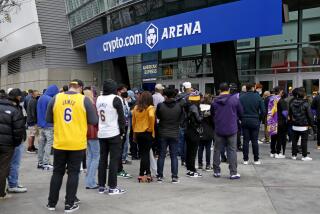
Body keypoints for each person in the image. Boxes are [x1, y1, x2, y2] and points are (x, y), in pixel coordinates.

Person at [46, 80, 98, 212]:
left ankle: (51, 203)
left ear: (69, 87)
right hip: (77, 143)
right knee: (73, 173)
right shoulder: (84, 100)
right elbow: (93, 120)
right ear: (80, 88)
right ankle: (69, 204)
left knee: (57, 172)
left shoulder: (56, 98)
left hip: (60, 142)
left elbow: (48, 119)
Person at [97, 79, 126, 195]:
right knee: (113, 160)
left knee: (102, 159)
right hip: (113, 133)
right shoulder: (116, 99)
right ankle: (112, 187)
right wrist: (122, 132)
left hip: (102, 132)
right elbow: (121, 118)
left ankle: (101, 186)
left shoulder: (99, 98)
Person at [211, 83, 243, 179]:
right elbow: (241, 112)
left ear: (220, 90)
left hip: (219, 128)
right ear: (228, 89)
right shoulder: (234, 100)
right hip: (232, 128)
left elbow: (212, 114)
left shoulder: (214, 101)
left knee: (217, 150)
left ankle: (216, 171)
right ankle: (233, 172)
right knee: (232, 150)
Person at [0, 89, 26, 199]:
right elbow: (18, 130)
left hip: (7, 143)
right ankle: (3, 191)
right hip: (8, 145)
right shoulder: (15, 109)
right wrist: (15, 144)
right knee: (4, 167)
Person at [156, 88, 183, 183]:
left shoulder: (160, 106)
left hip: (163, 132)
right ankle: (174, 177)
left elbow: (158, 116)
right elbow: (181, 119)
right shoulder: (179, 106)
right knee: (174, 156)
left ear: (165, 96)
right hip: (175, 132)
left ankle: (160, 176)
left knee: (161, 155)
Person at [7, 89, 27, 194]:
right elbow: (19, 125)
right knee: (15, 163)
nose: (21, 98)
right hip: (15, 140)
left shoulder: (7, 106)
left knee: (8, 163)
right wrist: (20, 139)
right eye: (20, 96)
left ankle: (10, 182)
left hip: (7, 140)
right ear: (17, 97)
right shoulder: (16, 108)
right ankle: (13, 184)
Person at [132, 91, 155, 182]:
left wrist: (134, 133)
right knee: (146, 154)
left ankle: (145, 173)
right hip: (147, 133)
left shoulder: (136, 108)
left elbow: (133, 122)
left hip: (138, 133)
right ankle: (143, 174)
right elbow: (152, 116)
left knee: (143, 154)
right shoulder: (150, 108)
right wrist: (150, 128)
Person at [240, 83, 265, 165]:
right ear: (253, 88)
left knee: (245, 141)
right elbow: (263, 111)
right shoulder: (258, 97)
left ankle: (245, 159)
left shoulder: (241, 97)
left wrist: (241, 118)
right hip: (255, 120)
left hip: (245, 120)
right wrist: (259, 119)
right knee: (254, 141)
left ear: (246, 89)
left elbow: (238, 109)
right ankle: (256, 159)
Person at [37, 85, 59, 170]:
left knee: (41, 144)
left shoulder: (40, 98)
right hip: (49, 125)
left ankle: (40, 162)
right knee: (48, 144)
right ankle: (46, 162)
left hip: (41, 125)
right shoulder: (50, 99)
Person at [289, 87, 313, 161]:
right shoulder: (306, 103)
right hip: (303, 125)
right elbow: (310, 115)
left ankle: (293, 155)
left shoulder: (291, 102)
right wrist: (311, 124)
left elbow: (290, 114)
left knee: (294, 141)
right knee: (304, 141)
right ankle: (304, 156)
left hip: (294, 125)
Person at [83, 87, 100, 189]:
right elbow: (96, 120)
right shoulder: (92, 105)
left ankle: (88, 181)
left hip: (85, 133)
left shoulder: (81, 105)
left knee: (90, 156)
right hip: (94, 132)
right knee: (95, 157)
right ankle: (91, 182)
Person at [185, 91, 203, 178]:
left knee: (189, 151)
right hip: (194, 131)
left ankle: (189, 169)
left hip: (188, 130)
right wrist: (204, 114)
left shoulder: (188, 106)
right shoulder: (194, 107)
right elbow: (199, 119)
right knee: (193, 152)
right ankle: (192, 170)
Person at [116, 84, 132, 178]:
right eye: (123, 91)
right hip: (119, 127)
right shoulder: (117, 101)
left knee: (121, 148)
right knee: (119, 149)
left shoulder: (124, 101)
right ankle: (118, 169)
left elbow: (127, 112)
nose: (125, 92)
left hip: (125, 126)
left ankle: (119, 168)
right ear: (119, 91)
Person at [176, 82, 193, 166]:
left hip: (179, 122)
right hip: (187, 122)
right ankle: (186, 159)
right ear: (188, 88)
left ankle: (183, 159)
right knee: (187, 142)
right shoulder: (189, 97)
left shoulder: (178, 97)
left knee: (181, 142)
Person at [198, 94, 214, 171]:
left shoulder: (199, 107)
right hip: (209, 129)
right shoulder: (211, 108)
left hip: (201, 129)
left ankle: (200, 164)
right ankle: (208, 164)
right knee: (208, 148)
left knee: (200, 148)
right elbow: (213, 120)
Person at [267, 87, 282, 158]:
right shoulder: (279, 99)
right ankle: (277, 152)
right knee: (279, 137)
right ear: (279, 92)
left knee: (273, 137)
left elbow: (269, 110)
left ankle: (272, 151)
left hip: (271, 119)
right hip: (278, 119)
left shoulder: (270, 99)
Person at [276, 91, 289, 158]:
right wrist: (288, 117)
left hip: (277, 121)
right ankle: (279, 152)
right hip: (282, 122)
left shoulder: (277, 101)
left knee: (278, 137)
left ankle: (277, 151)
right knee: (282, 138)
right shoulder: (282, 102)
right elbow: (284, 112)